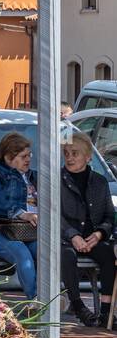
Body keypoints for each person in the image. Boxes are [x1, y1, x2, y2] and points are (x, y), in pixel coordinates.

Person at [60, 131, 114, 326]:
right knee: (67, 256)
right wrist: (72, 235)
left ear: (88, 156)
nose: (70, 158)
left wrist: (100, 233)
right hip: (66, 239)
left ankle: (106, 312)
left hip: (92, 238)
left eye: (75, 153)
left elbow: (109, 215)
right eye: (66, 153)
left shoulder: (99, 181)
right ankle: (79, 307)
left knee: (108, 255)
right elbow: (54, 215)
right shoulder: (58, 180)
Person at [0, 132, 39, 301]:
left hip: (31, 231)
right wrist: (21, 213)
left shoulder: (34, 176)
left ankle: (52, 297)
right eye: (23, 156)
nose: (28, 159)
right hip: (0, 230)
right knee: (22, 253)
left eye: (29, 155)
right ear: (8, 157)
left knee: (45, 253)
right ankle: (36, 300)